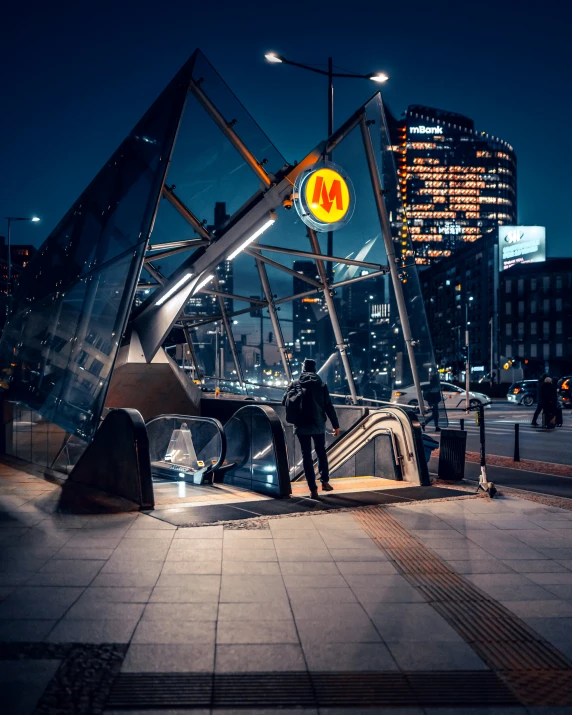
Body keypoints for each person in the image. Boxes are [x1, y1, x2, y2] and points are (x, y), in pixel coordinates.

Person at [285, 358, 340, 499]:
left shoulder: (295, 384)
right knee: (321, 452)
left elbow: (284, 401)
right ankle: (325, 482)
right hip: (318, 424)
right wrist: (335, 425)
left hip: (301, 424)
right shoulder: (321, 385)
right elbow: (328, 406)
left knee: (306, 456)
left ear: (303, 369)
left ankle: (313, 489)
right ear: (314, 369)